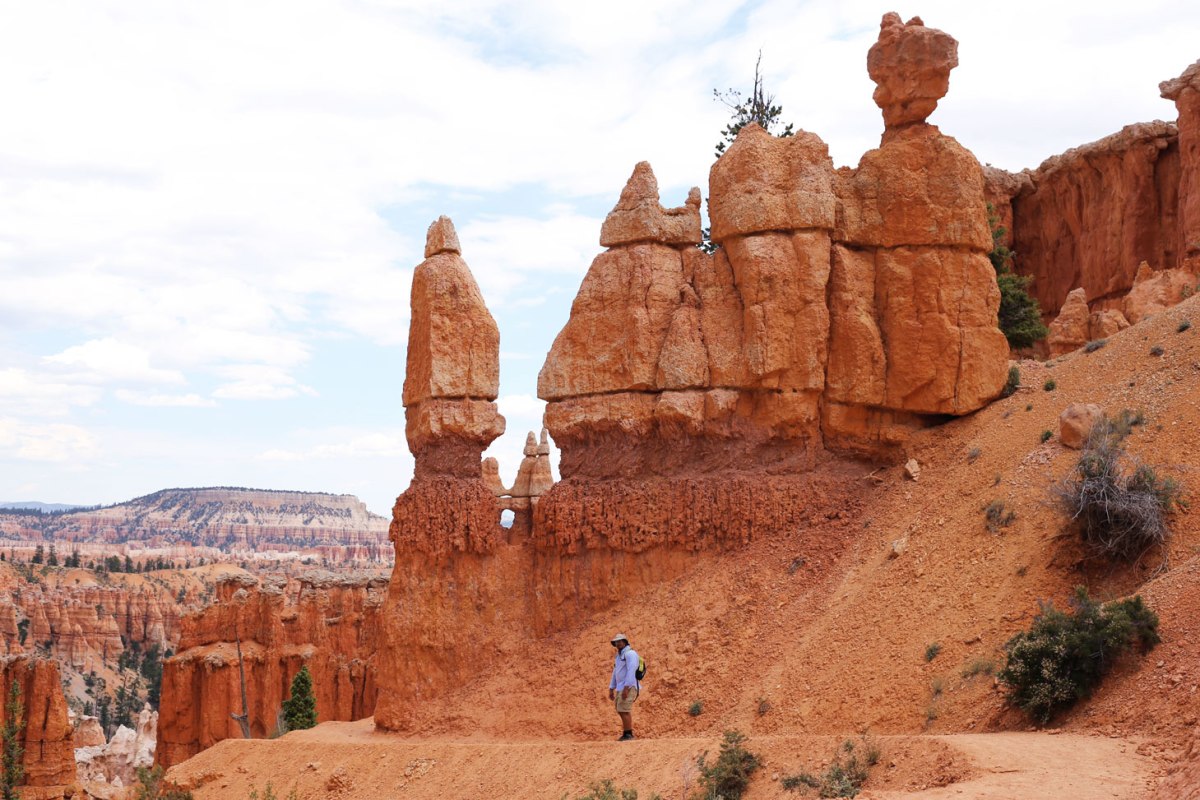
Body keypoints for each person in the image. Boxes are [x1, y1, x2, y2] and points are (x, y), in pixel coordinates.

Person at [607, 633, 639, 741]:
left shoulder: (630, 654)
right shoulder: (619, 656)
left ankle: (628, 734)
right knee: (620, 709)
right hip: (621, 687)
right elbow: (615, 672)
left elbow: (632, 670)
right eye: (616, 642)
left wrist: (626, 687)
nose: (617, 643)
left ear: (625, 642)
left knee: (624, 709)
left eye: (620, 641)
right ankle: (626, 733)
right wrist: (611, 688)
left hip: (628, 686)